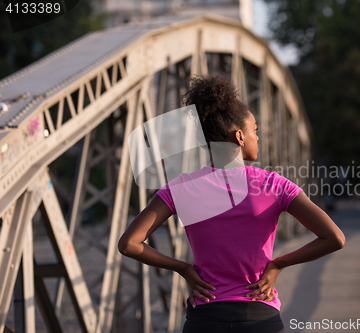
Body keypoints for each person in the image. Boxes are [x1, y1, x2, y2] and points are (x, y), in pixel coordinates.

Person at [118, 75, 346, 333]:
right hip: (259, 316)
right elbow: (335, 238)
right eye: (255, 131)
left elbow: (129, 244)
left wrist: (183, 269)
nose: (257, 138)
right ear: (239, 136)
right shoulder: (273, 184)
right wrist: (278, 265)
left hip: (205, 318)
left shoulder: (180, 187)